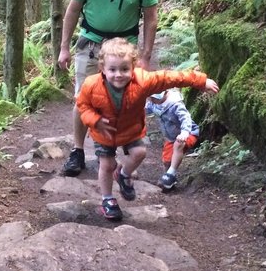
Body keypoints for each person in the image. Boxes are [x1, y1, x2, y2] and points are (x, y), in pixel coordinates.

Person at [76, 38, 219, 220]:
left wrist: (200, 81)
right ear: (102, 68)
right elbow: (83, 105)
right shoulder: (91, 84)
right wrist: (95, 120)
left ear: (133, 66)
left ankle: (123, 174)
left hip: (130, 128)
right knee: (106, 165)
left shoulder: (143, 80)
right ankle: (108, 200)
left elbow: (170, 77)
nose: (118, 75)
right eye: (112, 70)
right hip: (104, 132)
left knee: (140, 152)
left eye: (124, 69)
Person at [57, 0, 158, 177]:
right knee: (83, 97)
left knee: (127, 100)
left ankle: (125, 152)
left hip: (126, 46)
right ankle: (78, 151)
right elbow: (73, 9)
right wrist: (64, 48)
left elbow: (151, 18)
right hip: (91, 42)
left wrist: (145, 56)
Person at [146, 88, 201, 191]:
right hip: (170, 137)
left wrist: (184, 132)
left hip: (188, 134)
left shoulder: (175, 104)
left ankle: (171, 173)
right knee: (167, 161)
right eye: (150, 99)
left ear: (163, 95)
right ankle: (168, 181)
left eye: (153, 99)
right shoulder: (154, 103)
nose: (151, 101)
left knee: (178, 144)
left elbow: (186, 118)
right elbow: (144, 109)